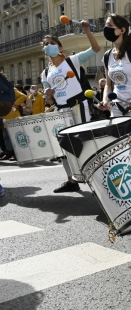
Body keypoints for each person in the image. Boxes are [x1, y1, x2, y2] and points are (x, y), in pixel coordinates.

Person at [41, 24, 101, 193]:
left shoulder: (72, 61)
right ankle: (71, 181)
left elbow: (95, 49)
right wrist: (48, 94)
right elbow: (49, 98)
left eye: (51, 42)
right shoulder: (45, 73)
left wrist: (87, 31)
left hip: (77, 106)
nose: (48, 45)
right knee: (63, 147)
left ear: (60, 47)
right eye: (45, 44)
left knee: (83, 141)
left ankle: (95, 177)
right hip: (60, 110)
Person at [1, 87, 26, 161]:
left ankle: (17, 153)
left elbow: (23, 96)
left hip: (13, 115)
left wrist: (14, 105)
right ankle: (9, 153)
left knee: (15, 135)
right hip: (4, 116)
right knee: (6, 136)